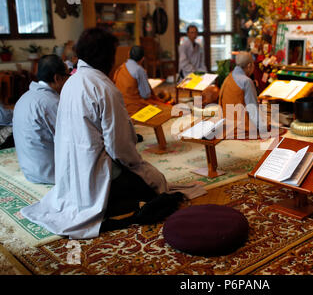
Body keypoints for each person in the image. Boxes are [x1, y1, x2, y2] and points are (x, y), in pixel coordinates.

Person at [21, 28, 186, 239]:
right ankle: (116, 206)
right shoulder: (103, 87)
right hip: (95, 172)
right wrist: (143, 169)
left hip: (70, 174)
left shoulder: (70, 82)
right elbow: (120, 147)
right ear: (107, 56)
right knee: (154, 186)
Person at [12, 55, 69, 184]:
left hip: (29, 170)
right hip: (50, 174)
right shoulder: (51, 103)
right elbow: (70, 140)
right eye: (67, 76)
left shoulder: (24, 97)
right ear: (57, 78)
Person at [218, 51, 264, 139]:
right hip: (240, 127)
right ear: (249, 65)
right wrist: (262, 128)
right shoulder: (246, 81)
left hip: (225, 124)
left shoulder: (228, 77)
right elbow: (252, 109)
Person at [114, 45, 157, 116]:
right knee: (165, 108)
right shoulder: (139, 70)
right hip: (134, 107)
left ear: (128, 54)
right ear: (143, 59)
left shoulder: (120, 68)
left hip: (120, 106)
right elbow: (146, 95)